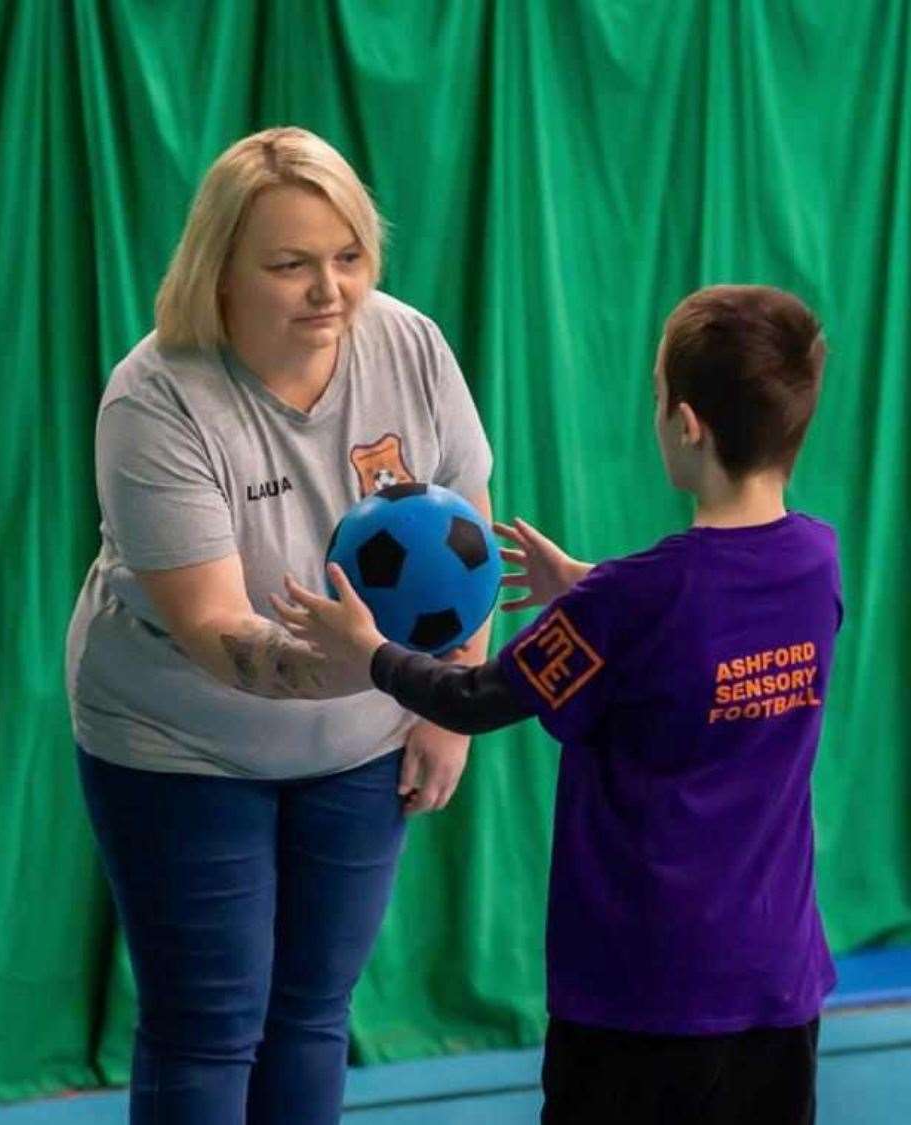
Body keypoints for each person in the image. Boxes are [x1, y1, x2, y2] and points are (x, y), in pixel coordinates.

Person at [277, 285, 835, 1125]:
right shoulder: (814, 559)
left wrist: (368, 652)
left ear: (685, 423)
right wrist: (584, 587)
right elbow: (702, 622)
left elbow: (468, 698)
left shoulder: (626, 604)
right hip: (775, 980)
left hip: (640, 991)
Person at [64, 126, 495, 1122]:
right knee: (209, 1023)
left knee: (312, 1014)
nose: (329, 290)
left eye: (346, 257)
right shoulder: (156, 396)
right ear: (221, 270)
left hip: (359, 741)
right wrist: (389, 669)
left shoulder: (409, 344)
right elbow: (217, 632)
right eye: (291, 265)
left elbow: (462, 542)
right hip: (181, 741)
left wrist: (444, 707)